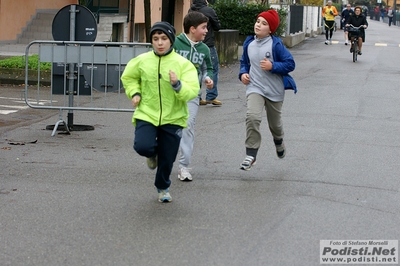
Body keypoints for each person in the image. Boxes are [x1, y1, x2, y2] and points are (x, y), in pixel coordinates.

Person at [121, 22, 200, 202]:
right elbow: (129, 77)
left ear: (171, 40)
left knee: (168, 158)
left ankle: (163, 187)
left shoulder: (183, 64)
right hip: (147, 113)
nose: (160, 43)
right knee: (142, 146)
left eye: (164, 38)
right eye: (155, 39)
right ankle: (152, 154)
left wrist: (177, 85)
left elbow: (192, 90)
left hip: (174, 117)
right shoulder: (142, 60)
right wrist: (135, 93)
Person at [238, 10, 297, 171]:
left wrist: (273, 66)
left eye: (264, 23)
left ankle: (279, 141)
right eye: (258, 21)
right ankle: (251, 154)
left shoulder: (276, 44)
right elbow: (244, 62)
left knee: (275, 125)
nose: (259, 25)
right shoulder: (249, 43)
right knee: (252, 117)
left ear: (270, 29)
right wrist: (243, 73)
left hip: (274, 90)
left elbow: (290, 64)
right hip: (255, 87)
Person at [173, 11, 213, 181]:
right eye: (203, 28)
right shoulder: (175, 43)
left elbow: (207, 68)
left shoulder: (204, 49)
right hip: (171, 94)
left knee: (188, 126)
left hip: (192, 95)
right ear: (192, 28)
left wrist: (207, 78)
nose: (206, 31)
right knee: (168, 128)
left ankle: (183, 167)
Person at [189, 0, 222, 106]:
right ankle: (211, 96)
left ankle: (196, 97)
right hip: (208, 44)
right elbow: (217, 26)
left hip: (194, 45)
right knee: (212, 69)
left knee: (195, 70)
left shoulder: (191, 11)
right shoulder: (208, 10)